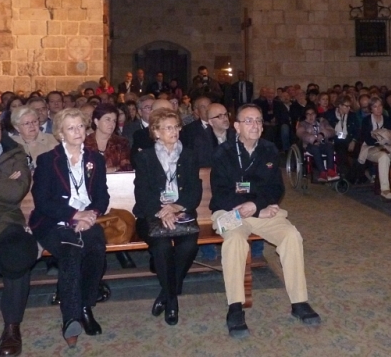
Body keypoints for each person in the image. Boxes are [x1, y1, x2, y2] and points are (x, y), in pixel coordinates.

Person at [210, 104, 321, 338]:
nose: (255, 125)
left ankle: (299, 302)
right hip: (230, 212)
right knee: (235, 242)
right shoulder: (224, 152)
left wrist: (256, 206)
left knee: (291, 236)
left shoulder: (269, 149)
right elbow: (220, 192)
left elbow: (275, 188)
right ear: (237, 126)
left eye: (259, 120)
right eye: (248, 121)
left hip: (261, 211)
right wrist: (252, 209)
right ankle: (235, 308)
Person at [29, 108, 110, 347]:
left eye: (81, 126)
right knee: (71, 253)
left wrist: (92, 214)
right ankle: (71, 317)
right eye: (71, 128)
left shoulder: (95, 159)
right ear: (61, 133)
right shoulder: (48, 160)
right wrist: (75, 214)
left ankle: (86, 306)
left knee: (96, 249)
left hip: (89, 220)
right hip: (55, 222)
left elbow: (102, 196)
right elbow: (42, 201)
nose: (78, 132)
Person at [0, 107, 38, 357]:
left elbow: (15, 192)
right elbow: (5, 191)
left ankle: (12, 327)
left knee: (20, 252)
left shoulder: (14, 152)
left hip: (3, 223)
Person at [132, 108, 201, 324]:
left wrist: (176, 207)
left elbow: (194, 190)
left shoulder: (188, 155)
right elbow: (142, 191)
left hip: (181, 213)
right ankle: (172, 301)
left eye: (176, 127)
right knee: (161, 247)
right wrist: (161, 211)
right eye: (168, 128)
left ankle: (165, 293)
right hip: (151, 215)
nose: (174, 131)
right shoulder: (144, 156)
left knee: (189, 245)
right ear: (156, 131)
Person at [357, 97, 391, 198]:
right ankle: (385, 190)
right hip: (370, 148)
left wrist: (383, 137)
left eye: (380, 106)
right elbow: (367, 138)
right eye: (375, 107)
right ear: (371, 109)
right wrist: (381, 141)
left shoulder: (387, 119)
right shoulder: (366, 121)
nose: (378, 109)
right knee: (383, 157)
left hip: (387, 146)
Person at [84, 103, 131, 173]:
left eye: (114, 121)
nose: (111, 124)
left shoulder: (121, 143)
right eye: (107, 120)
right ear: (96, 121)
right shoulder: (85, 143)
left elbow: (126, 167)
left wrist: (112, 170)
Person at [296, 106, 338, 182]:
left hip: (323, 143)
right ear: (305, 115)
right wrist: (313, 140)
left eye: (312, 114)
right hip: (309, 145)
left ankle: (330, 170)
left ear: (316, 114)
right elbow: (302, 133)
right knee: (315, 148)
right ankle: (322, 172)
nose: (311, 116)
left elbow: (332, 131)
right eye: (308, 114)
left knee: (330, 146)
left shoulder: (322, 121)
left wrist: (323, 134)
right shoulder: (302, 124)